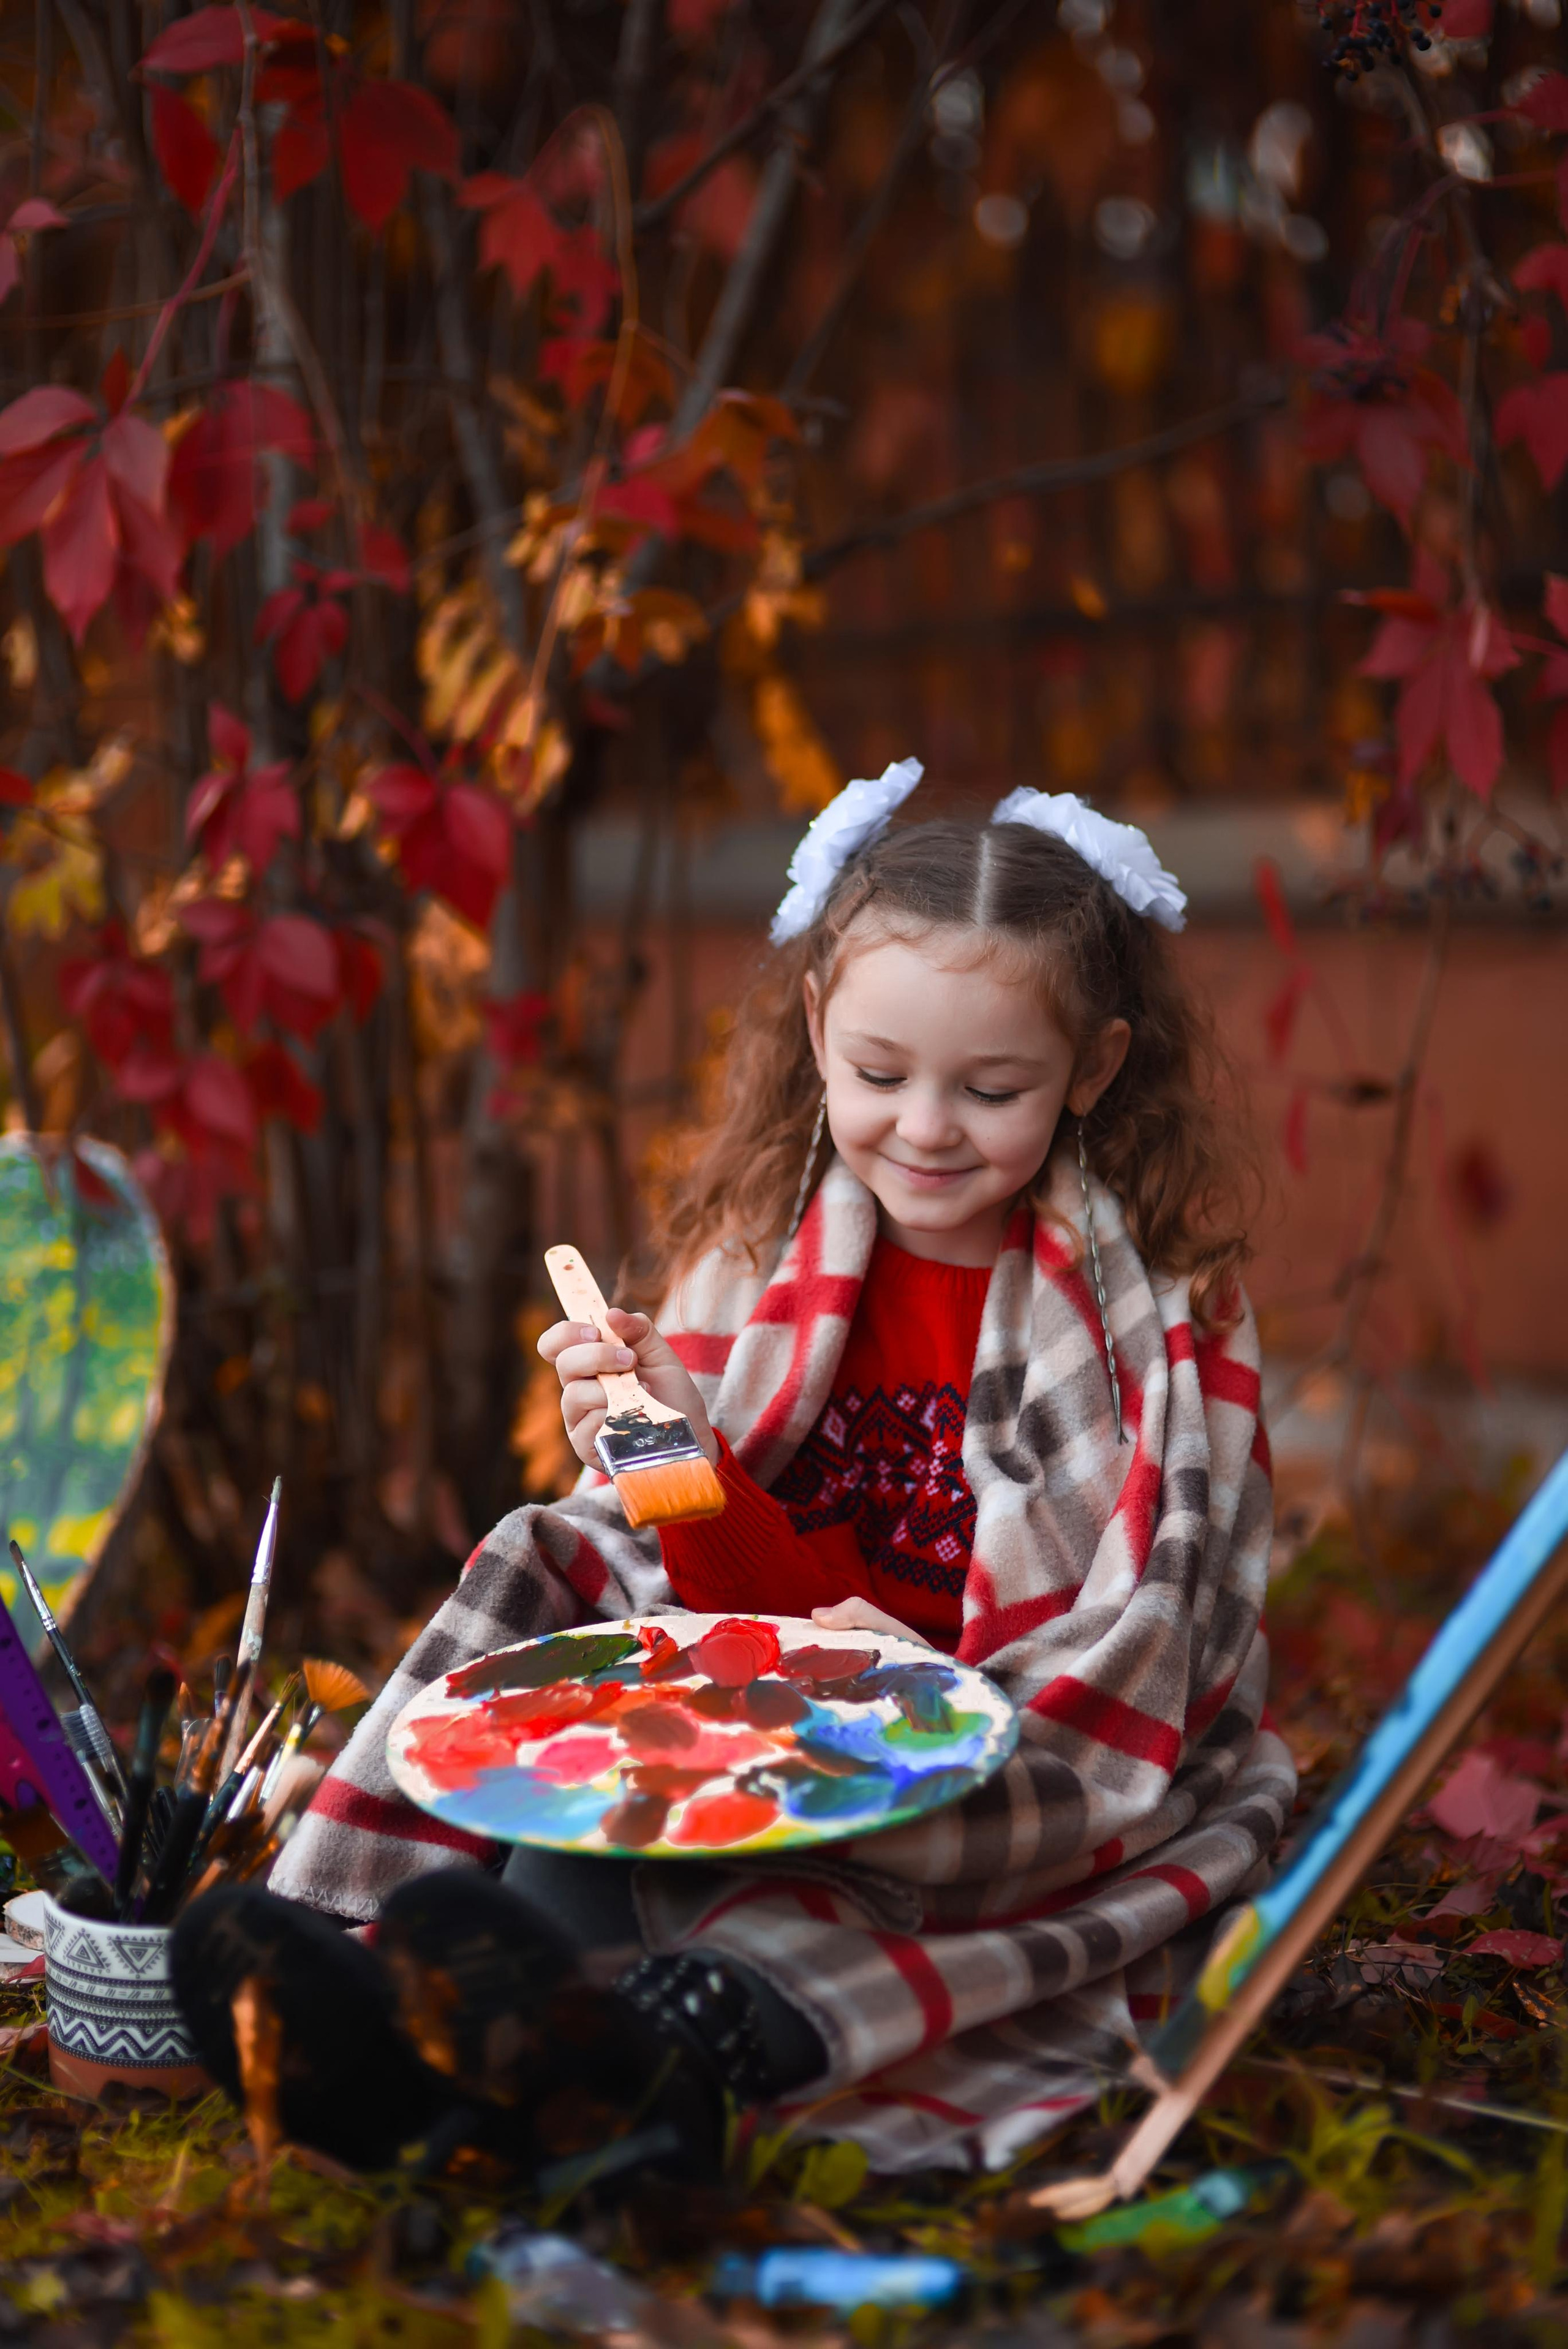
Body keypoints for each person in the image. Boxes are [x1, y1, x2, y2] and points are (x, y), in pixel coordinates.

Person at [173, 763, 1295, 2185]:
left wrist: (927, 1684)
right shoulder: (754, 1259)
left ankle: (623, 2089)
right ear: (820, 1028)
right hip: (757, 1741)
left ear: (1094, 1068)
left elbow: (1144, 1651)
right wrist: (670, 1453)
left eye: (991, 1087)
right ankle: (402, 2041)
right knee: (583, 1822)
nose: (928, 1127)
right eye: (880, 1076)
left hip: (982, 1791)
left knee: (773, 1943)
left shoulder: (1165, 1321)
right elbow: (698, 1614)